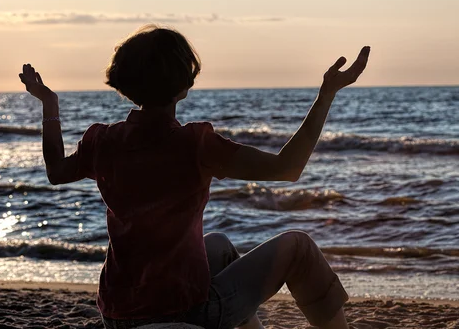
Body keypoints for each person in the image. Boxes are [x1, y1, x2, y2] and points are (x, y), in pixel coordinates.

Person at [19, 24, 370, 329]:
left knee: (216, 245)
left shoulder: (102, 141)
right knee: (300, 246)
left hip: (117, 313)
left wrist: (49, 104)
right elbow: (287, 168)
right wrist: (326, 95)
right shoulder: (194, 144)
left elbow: (56, 171)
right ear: (182, 84)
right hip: (183, 311)